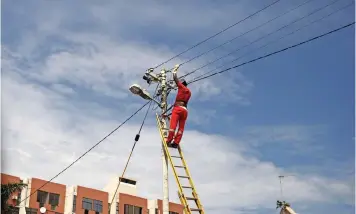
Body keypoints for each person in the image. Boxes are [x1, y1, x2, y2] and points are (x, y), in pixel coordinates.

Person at [166, 64, 191, 149]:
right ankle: (176, 143)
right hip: (185, 111)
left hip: (178, 109)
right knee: (181, 128)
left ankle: (169, 141)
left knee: (173, 126)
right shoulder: (189, 92)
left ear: (182, 83)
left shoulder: (181, 87)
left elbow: (175, 78)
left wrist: (174, 71)